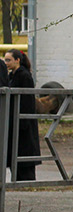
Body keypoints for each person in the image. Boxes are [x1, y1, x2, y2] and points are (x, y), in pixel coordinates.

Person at [3, 50, 39, 182]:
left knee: (24, 157)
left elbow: (28, 101)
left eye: (9, 60)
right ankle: (17, 181)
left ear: (17, 60)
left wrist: (22, 121)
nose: (6, 63)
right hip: (15, 121)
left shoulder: (24, 75)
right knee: (15, 155)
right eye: (5, 60)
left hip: (23, 123)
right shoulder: (12, 75)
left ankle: (26, 183)